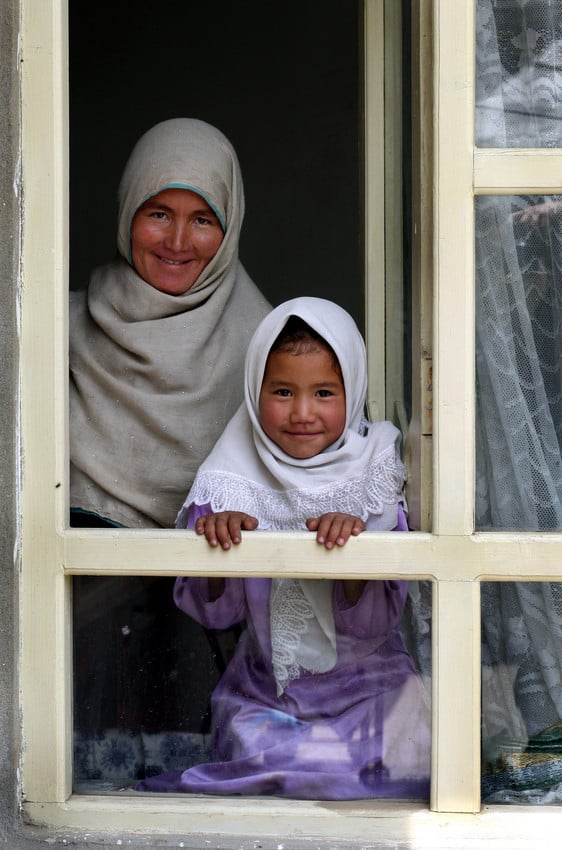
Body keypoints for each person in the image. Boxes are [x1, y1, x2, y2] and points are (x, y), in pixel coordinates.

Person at [136, 297, 431, 800]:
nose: (301, 413)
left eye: (323, 392)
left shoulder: (374, 470)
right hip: (265, 696)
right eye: (281, 391)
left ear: (353, 389)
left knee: (401, 752)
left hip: (373, 691)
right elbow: (213, 613)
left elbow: (377, 621)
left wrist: (354, 548)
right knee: (263, 751)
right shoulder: (229, 479)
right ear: (254, 391)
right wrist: (221, 544)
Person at [69, 118, 270, 737]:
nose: (179, 240)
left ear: (229, 226)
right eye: (159, 212)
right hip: (70, 638)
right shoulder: (59, 330)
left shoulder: (268, 351)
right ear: (128, 208)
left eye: (203, 219)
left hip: (212, 649)